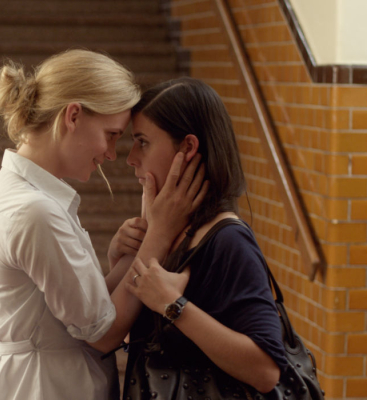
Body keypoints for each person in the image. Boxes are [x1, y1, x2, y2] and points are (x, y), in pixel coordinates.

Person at [0, 49, 206, 400]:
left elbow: (67, 316)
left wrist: (125, 260)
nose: (112, 153)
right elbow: (103, 333)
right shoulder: (36, 211)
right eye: (111, 134)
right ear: (74, 116)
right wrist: (159, 232)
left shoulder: (27, 191)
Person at [111, 77, 288, 397]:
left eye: (143, 141)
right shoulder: (171, 234)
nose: (131, 157)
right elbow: (131, 339)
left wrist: (174, 306)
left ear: (188, 147)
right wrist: (122, 260)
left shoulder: (228, 241)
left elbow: (266, 371)